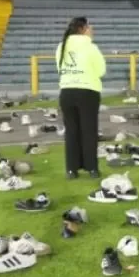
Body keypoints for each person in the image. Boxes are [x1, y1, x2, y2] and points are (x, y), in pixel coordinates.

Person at [56, 17, 106, 179]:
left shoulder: (61, 46)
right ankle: (92, 169)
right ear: (82, 29)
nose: (92, 29)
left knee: (71, 131)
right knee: (89, 131)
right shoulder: (91, 47)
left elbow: (59, 68)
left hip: (67, 91)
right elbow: (101, 70)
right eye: (89, 26)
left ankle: (71, 170)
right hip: (87, 91)